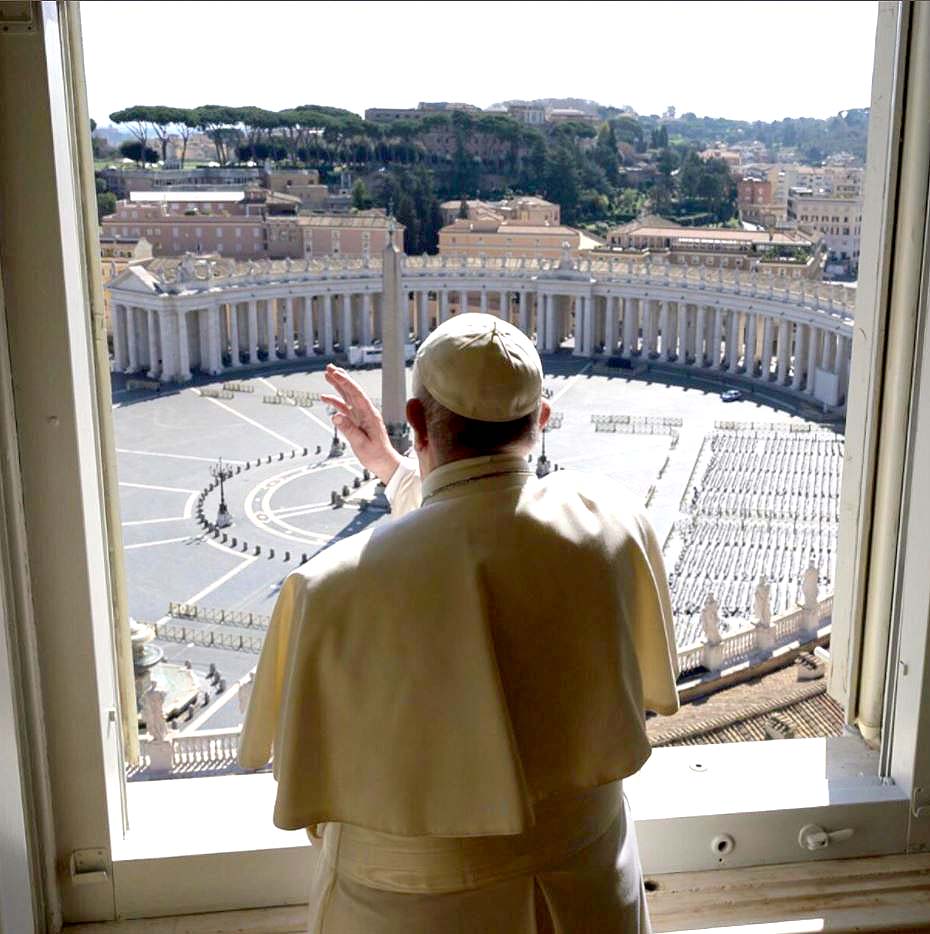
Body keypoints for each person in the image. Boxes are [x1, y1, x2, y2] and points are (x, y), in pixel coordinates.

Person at [240, 314, 679, 934]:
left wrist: (402, 467)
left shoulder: (327, 589)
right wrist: (395, 470)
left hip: (406, 912)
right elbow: (491, 517)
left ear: (417, 419)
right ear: (542, 420)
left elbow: (453, 532)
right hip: (591, 894)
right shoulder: (614, 521)